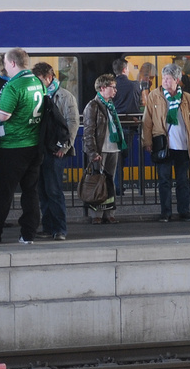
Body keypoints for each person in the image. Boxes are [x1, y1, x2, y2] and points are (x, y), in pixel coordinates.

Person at [0, 48, 46, 244]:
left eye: (6, 64)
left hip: (12, 147)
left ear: (13, 63)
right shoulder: (37, 82)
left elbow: (3, 115)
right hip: (34, 144)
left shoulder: (13, 85)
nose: (5, 68)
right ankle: (28, 234)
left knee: (3, 193)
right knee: (30, 192)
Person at [143, 62, 190, 223]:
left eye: (168, 78)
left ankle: (184, 211)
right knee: (164, 181)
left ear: (177, 80)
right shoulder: (154, 95)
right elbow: (147, 121)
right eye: (164, 78)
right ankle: (165, 213)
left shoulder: (187, 98)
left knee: (183, 181)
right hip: (163, 145)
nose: (165, 81)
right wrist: (147, 141)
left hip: (183, 145)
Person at [34, 62, 80, 239]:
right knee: (42, 191)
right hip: (40, 149)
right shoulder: (38, 95)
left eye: (40, 80)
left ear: (49, 77)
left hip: (56, 150)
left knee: (54, 190)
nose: (38, 84)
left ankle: (60, 229)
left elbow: (73, 122)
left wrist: (65, 146)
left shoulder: (65, 96)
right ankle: (47, 227)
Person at [81, 74, 124, 225]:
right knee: (97, 181)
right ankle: (96, 214)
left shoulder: (110, 105)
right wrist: (93, 153)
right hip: (100, 150)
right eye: (112, 87)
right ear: (102, 88)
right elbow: (88, 132)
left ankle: (109, 213)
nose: (115, 90)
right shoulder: (92, 106)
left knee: (109, 181)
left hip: (113, 148)